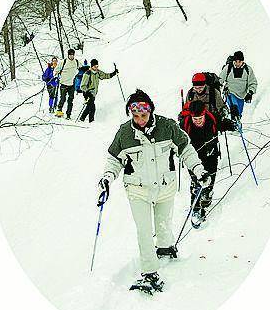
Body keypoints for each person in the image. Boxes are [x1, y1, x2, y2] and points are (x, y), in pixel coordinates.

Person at [97, 89, 210, 292]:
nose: (140, 120)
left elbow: (186, 149)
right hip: (137, 189)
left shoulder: (167, 127)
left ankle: (165, 248)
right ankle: (150, 273)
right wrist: (107, 178)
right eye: (135, 115)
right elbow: (114, 160)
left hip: (165, 187)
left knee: (163, 223)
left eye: (144, 115)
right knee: (144, 231)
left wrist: (198, 169)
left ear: (151, 111)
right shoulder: (125, 133)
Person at [179, 100, 236, 228]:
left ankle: (206, 197)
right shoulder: (185, 124)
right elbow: (177, 138)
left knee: (209, 181)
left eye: (200, 118)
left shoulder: (212, 119)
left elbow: (224, 124)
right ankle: (195, 209)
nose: (197, 121)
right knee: (196, 183)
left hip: (211, 156)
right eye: (195, 118)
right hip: (193, 159)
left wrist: (232, 124)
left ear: (204, 114)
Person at [219, 50, 257, 120]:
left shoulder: (248, 69)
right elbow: (220, 80)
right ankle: (233, 124)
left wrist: (250, 93)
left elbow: (253, 83)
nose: (237, 63)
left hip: (241, 96)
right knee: (234, 109)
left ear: (243, 61)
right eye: (236, 61)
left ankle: (237, 127)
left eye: (239, 61)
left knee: (238, 114)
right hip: (230, 93)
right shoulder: (228, 68)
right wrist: (217, 88)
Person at [54, 49, 79, 119]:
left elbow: (81, 67)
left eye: (72, 55)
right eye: (70, 55)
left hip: (71, 84)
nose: (71, 56)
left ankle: (68, 115)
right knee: (63, 99)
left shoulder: (76, 62)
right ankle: (59, 111)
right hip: (63, 84)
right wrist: (56, 76)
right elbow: (55, 70)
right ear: (68, 55)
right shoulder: (63, 62)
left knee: (70, 100)